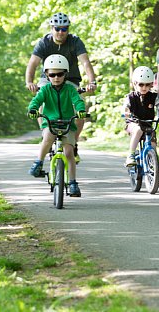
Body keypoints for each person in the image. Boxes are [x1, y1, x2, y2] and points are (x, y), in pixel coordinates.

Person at [25, 12, 97, 158]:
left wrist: (92, 81)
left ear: (68, 30)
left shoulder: (75, 41)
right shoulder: (44, 42)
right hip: (49, 78)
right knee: (41, 100)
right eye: (57, 28)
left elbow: (85, 62)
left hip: (71, 79)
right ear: (52, 28)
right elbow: (33, 63)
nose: (60, 32)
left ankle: (73, 143)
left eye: (64, 29)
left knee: (79, 107)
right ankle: (46, 132)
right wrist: (29, 82)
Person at [27, 54, 87, 197]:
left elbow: (77, 100)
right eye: (52, 74)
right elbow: (36, 101)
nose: (56, 77)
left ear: (65, 74)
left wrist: (80, 110)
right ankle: (38, 163)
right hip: (50, 122)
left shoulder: (70, 89)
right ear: (47, 75)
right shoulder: (45, 90)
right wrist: (33, 109)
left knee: (69, 153)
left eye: (60, 74)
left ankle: (73, 183)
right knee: (47, 136)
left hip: (67, 123)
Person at [122, 66, 159, 167]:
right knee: (138, 130)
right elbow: (126, 107)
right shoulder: (130, 97)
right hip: (133, 123)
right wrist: (126, 112)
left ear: (151, 84)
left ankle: (154, 169)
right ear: (135, 83)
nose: (144, 87)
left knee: (153, 143)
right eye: (141, 84)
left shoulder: (153, 97)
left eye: (147, 85)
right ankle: (130, 155)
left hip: (147, 124)